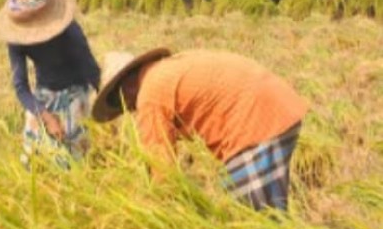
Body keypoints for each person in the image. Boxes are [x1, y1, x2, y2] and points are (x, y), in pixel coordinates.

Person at [91, 49, 310, 211]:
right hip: (275, 107)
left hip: (257, 123)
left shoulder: (149, 93)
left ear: (126, 88)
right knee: (259, 208)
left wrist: (159, 213)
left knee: (248, 216)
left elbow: (162, 169)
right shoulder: (166, 70)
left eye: (122, 102)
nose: (129, 110)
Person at [0, 0, 100, 170]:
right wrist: (46, 116)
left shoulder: (69, 30)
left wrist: (107, 107)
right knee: (31, 162)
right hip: (43, 95)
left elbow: (91, 71)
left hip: (75, 91)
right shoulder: (17, 37)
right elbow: (20, 86)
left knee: (70, 161)